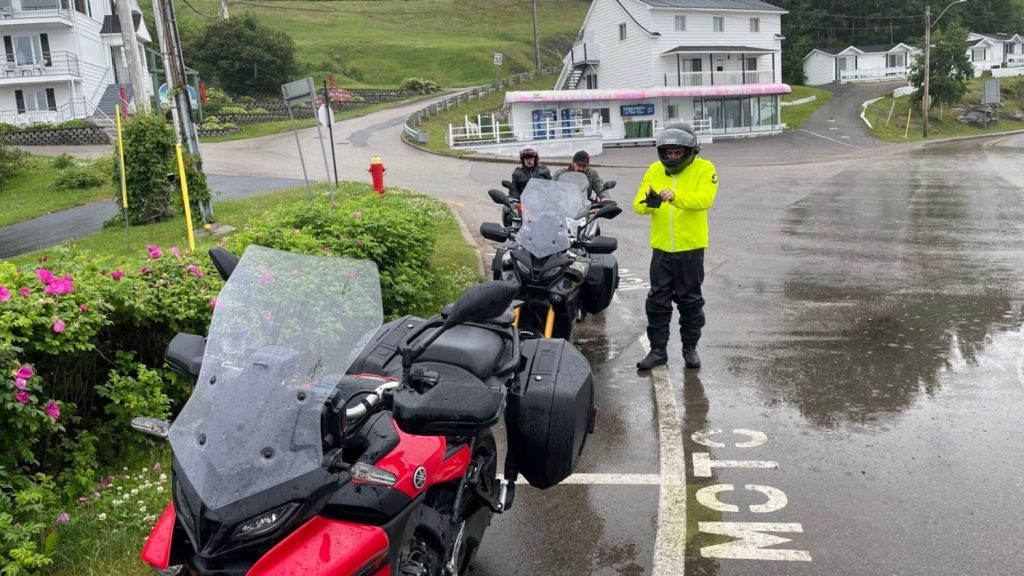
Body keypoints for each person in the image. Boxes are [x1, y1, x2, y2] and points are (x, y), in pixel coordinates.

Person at [633, 123, 718, 371]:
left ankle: (690, 349)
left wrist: (676, 197)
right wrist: (651, 203)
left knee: (690, 301)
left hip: (690, 248)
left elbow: (705, 199)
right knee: (657, 302)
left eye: (677, 153)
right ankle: (658, 350)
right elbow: (638, 204)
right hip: (661, 249)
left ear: (689, 150)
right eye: (668, 153)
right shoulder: (655, 169)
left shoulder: (705, 168)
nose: (672, 157)